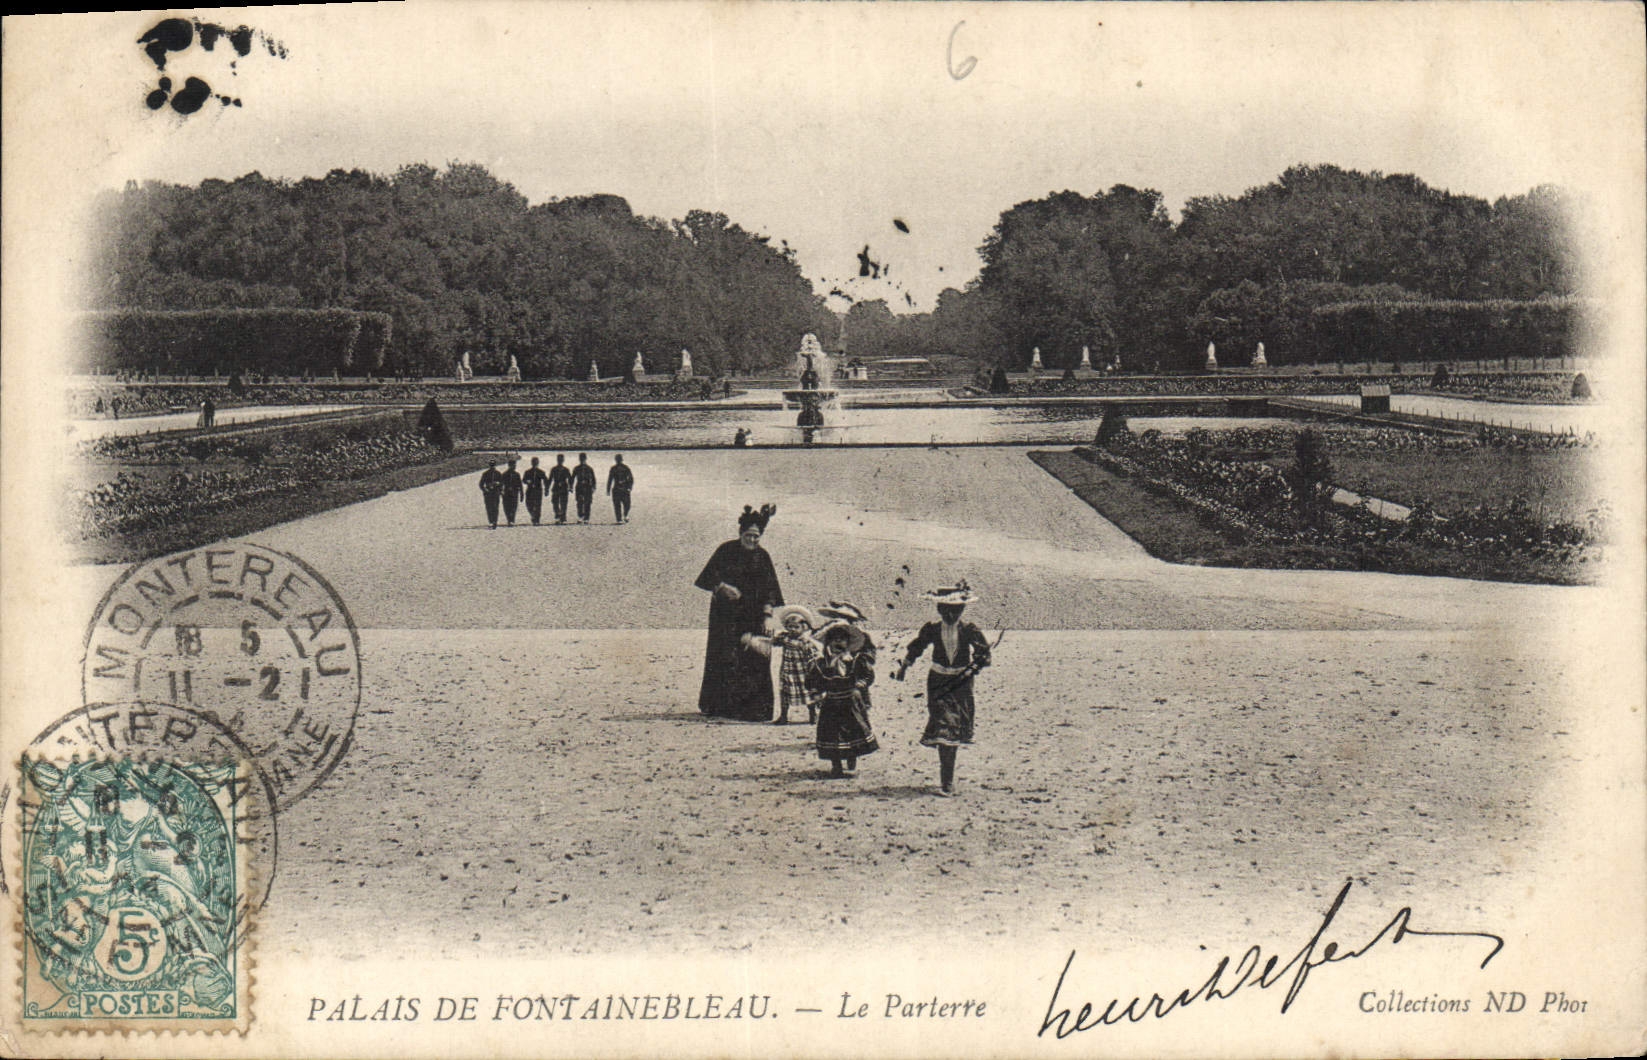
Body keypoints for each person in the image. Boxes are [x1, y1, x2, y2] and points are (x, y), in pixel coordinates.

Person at [895, 581, 992, 798]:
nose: (950, 614)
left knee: (954, 728)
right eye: (946, 610)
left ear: (962, 610)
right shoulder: (932, 629)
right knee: (944, 726)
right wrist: (904, 667)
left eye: (955, 610)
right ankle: (946, 782)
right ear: (939, 609)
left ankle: (947, 780)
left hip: (962, 685)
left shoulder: (969, 630)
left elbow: (984, 655)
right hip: (938, 682)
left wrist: (976, 664)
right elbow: (917, 647)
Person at [694, 504, 783, 721]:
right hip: (725, 616)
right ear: (740, 533)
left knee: (755, 657)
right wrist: (721, 586)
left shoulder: (763, 557)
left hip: (753, 616)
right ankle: (721, 707)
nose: (752, 540)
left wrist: (767, 616)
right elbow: (707, 577)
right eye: (748, 535)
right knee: (724, 657)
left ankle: (754, 710)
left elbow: (771, 590)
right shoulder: (725, 551)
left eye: (756, 536)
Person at [807, 620, 879, 776]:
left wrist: (862, 683)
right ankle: (836, 766)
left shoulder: (856, 660)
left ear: (848, 643)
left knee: (853, 730)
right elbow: (813, 680)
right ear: (828, 643)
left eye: (842, 639)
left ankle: (851, 757)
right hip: (831, 703)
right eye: (834, 639)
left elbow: (868, 675)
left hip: (850, 702)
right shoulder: (821, 663)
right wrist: (816, 693)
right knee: (832, 734)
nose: (838, 643)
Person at [741, 605, 822, 725]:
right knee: (784, 693)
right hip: (787, 671)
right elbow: (771, 641)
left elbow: (813, 657)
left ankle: (813, 714)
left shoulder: (806, 642)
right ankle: (783, 716)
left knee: (808, 694)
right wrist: (754, 640)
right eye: (790, 626)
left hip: (802, 672)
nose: (793, 629)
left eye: (796, 627)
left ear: (804, 627)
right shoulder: (784, 638)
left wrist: (813, 670)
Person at [606, 454, 634, 523]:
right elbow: (610, 479)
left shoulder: (626, 468)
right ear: (616, 460)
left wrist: (629, 487)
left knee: (627, 504)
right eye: (617, 460)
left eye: (619, 460)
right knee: (617, 505)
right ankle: (619, 519)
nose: (618, 461)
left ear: (621, 460)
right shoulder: (613, 468)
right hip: (616, 488)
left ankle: (625, 515)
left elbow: (631, 478)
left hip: (625, 488)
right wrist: (608, 489)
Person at [571, 452, 598, 523]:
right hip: (579, 486)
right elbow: (572, 478)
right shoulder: (576, 468)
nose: (582, 460)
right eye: (581, 459)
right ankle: (580, 516)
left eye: (583, 459)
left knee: (588, 502)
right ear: (579, 459)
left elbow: (593, 479)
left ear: (586, 459)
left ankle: (586, 518)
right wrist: (570, 486)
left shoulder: (589, 468)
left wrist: (594, 487)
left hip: (587, 486)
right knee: (579, 502)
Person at [522, 457, 549, 525]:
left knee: (538, 505)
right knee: (529, 504)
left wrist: (546, 490)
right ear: (531, 463)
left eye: (536, 463)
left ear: (538, 463)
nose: (535, 464)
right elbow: (523, 480)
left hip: (538, 491)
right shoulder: (527, 472)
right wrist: (527, 481)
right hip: (530, 490)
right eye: (534, 463)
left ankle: (537, 520)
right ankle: (532, 515)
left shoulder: (541, 472)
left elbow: (546, 481)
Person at [547, 454, 573, 523]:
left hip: (564, 487)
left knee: (563, 503)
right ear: (557, 460)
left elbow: (570, 479)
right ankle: (557, 516)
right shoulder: (554, 469)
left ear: (563, 460)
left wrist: (571, 487)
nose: (560, 461)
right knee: (555, 502)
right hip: (556, 487)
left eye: (561, 460)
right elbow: (550, 479)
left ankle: (563, 518)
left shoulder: (566, 470)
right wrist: (547, 488)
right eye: (559, 460)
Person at [478, 462, 504, 529]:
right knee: (489, 507)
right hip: (488, 493)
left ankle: (495, 521)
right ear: (489, 466)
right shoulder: (485, 474)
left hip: (496, 492)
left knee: (495, 507)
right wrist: (485, 489)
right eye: (491, 466)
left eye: (493, 465)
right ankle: (491, 521)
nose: (492, 467)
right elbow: (481, 484)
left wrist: (499, 485)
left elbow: (502, 483)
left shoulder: (498, 473)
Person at [501, 458, 524, 526]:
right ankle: (509, 519)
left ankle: (512, 520)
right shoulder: (504, 474)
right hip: (506, 493)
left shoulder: (517, 474)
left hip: (515, 493)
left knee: (514, 506)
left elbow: (520, 485)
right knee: (506, 507)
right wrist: (501, 491)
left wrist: (522, 494)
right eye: (513, 465)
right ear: (509, 465)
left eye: (515, 465)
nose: (514, 466)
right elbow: (501, 484)